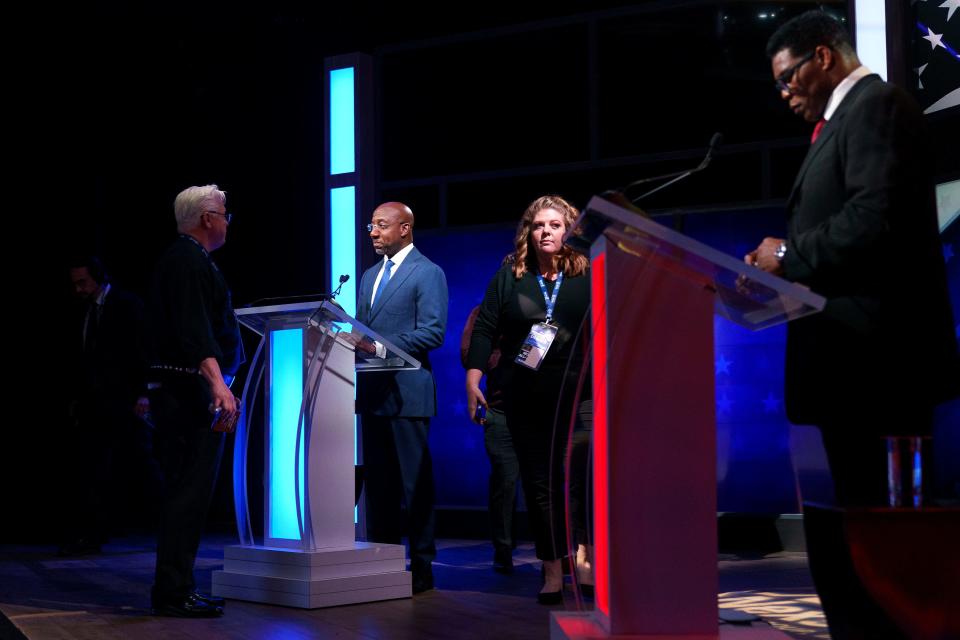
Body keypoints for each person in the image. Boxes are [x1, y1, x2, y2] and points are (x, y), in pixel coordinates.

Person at [747, 11, 959, 638]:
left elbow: (875, 217)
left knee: (876, 545)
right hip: (842, 366)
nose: (786, 95)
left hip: (874, 367)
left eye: (789, 80)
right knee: (843, 534)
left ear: (823, 57)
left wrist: (788, 257)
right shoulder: (839, 122)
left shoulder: (876, 106)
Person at [465, 195, 593, 604]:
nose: (547, 232)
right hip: (528, 395)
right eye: (539, 225)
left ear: (569, 230)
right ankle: (552, 567)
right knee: (541, 484)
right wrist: (474, 376)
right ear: (528, 232)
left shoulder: (588, 272)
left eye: (556, 225)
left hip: (581, 394)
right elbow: (485, 326)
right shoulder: (511, 274)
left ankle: (583, 559)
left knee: (578, 480)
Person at [144, 184, 244, 618]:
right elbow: (193, 329)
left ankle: (178, 587)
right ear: (207, 218)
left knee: (190, 495)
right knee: (187, 495)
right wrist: (218, 384)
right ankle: (172, 593)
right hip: (188, 395)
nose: (227, 220)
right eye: (225, 213)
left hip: (188, 391)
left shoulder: (188, 259)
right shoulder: (186, 260)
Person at [355, 201, 448, 594]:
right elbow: (359, 328)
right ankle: (384, 562)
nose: (373, 233)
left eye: (381, 225)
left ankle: (422, 565)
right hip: (373, 394)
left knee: (415, 484)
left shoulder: (427, 273)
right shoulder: (367, 276)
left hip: (408, 393)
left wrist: (375, 346)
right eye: (371, 226)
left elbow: (432, 332)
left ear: (405, 228)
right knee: (379, 486)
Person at [61, 256, 147, 555]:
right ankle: (93, 533)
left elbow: (139, 351)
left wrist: (143, 393)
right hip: (93, 403)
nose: (78, 289)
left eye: (83, 282)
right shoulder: (83, 310)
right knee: (93, 467)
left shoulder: (126, 305)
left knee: (131, 464)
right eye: (75, 284)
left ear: (99, 277)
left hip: (121, 401)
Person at [460, 303, 520, 574]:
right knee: (504, 483)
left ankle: (553, 557)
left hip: (542, 410)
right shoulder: (486, 311)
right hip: (501, 408)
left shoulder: (545, 306)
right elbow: (467, 354)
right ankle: (503, 549)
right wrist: (504, 356)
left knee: (545, 485)